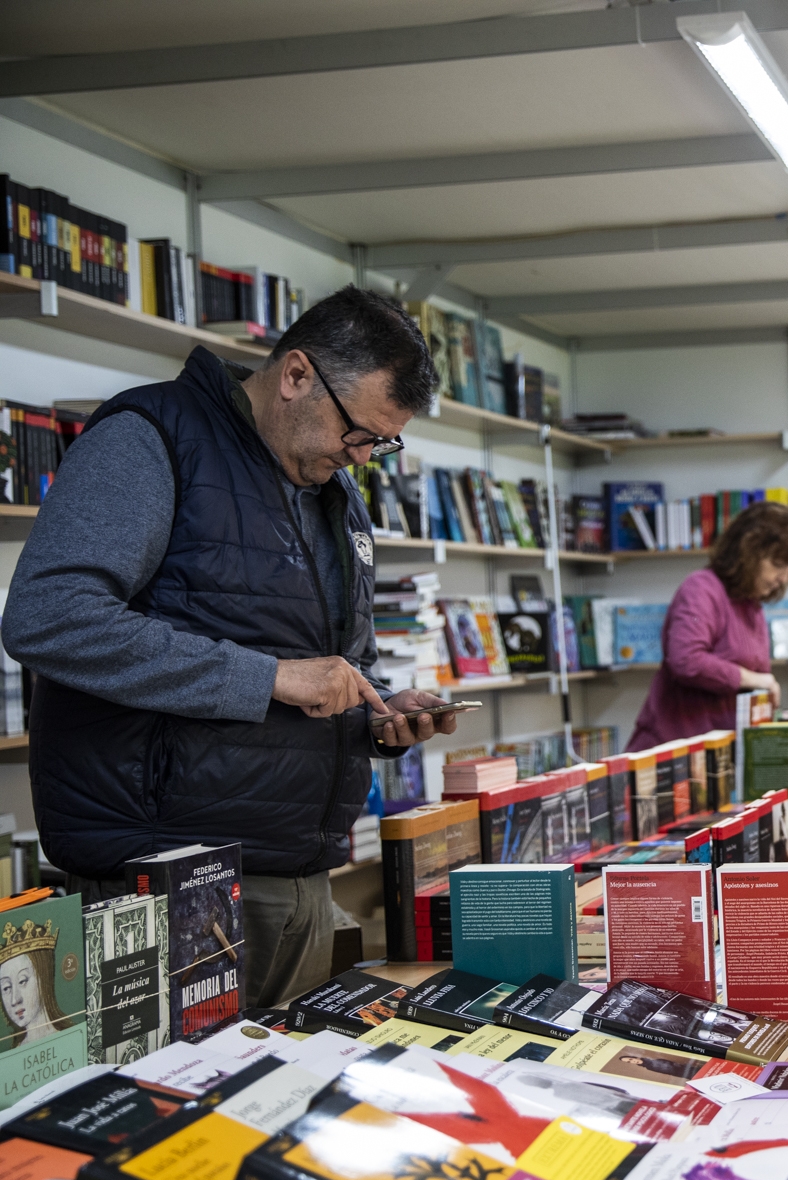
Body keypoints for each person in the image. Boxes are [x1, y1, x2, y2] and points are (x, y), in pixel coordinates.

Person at [1, 287, 454, 1009]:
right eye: (358, 433)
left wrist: (377, 713)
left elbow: (326, 669)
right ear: (297, 374)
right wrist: (269, 677)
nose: (361, 458)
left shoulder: (332, 493)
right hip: (167, 887)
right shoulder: (150, 439)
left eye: (380, 443)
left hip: (299, 881)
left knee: (280, 1114)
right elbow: (49, 617)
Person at [629, 501, 788, 749]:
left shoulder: (750, 606)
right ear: (749, 552)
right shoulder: (700, 589)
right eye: (778, 565)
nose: (784, 579)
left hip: (718, 754)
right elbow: (686, 659)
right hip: (673, 754)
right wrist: (754, 679)